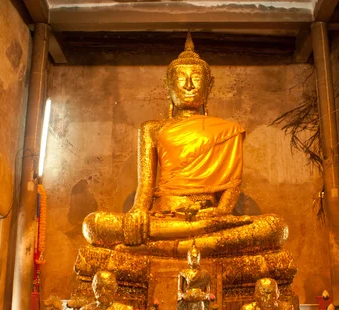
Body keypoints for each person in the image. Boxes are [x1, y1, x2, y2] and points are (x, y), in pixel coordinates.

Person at [81, 33, 288, 258]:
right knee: (93, 224)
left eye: (197, 77)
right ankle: (196, 240)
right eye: (181, 78)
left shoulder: (227, 130)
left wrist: (217, 214)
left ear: (209, 86)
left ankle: (164, 246)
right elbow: (145, 188)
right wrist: (138, 212)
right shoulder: (151, 129)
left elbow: (229, 195)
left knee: (275, 227)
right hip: (163, 218)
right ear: (168, 84)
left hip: (210, 218)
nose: (188, 85)